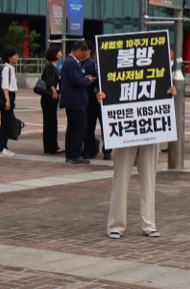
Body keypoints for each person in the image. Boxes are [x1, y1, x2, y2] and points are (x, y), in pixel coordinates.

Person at [100, 84, 178, 239]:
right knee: (121, 177)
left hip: (150, 126)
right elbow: (109, 83)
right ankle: (116, 224)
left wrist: (171, 94)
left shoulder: (162, 66)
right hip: (125, 125)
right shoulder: (116, 61)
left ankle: (148, 223)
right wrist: (103, 97)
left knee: (149, 178)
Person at [61, 41, 95, 164]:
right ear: (79, 50)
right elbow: (77, 81)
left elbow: (76, 79)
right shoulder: (71, 62)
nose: (83, 56)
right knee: (80, 126)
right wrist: (88, 81)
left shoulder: (69, 62)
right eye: (83, 53)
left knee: (72, 127)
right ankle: (75, 154)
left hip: (72, 100)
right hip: (75, 101)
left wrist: (83, 79)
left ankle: (71, 154)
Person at [82, 46, 110, 160]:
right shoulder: (89, 65)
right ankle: (89, 150)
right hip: (91, 100)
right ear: (94, 55)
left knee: (106, 127)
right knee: (89, 127)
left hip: (104, 101)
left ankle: (107, 151)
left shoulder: (109, 66)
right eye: (97, 54)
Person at [39, 45, 64, 155]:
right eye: (59, 52)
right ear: (54, 54)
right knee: (50, 122)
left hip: (51, 98)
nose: (61, 54)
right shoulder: (50, 66)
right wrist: (54, 93)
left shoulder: (55, 66)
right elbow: (50, 81)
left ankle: (51, 146)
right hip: (49, 97)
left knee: (52, 122)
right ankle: (51, 147)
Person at [0, 49, 19, 158]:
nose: (17, 57)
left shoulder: (11, 68)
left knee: (7, 122)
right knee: (5, 123)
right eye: (15, 55)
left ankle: (4, 146)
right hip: (7, 96)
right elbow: (5, 86)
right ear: (9, 57)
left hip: (10, 96)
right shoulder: (7, 69)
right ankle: (1, 148)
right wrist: (7, 101)